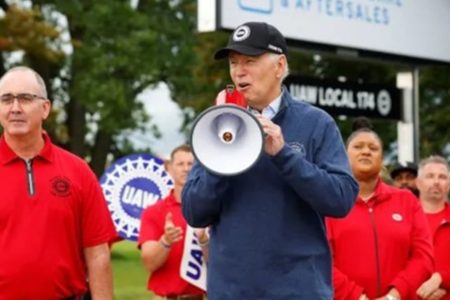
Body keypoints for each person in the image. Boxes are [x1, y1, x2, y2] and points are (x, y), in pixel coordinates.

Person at [182, 22, 359, 299]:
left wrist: (284, 155)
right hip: (232, 292)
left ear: (279, 66)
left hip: (298, 292)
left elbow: (340, 200)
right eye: (233, 62)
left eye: (250, 61)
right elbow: (194, 212)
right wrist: (221, 150)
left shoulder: (316, 123)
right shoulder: (214, 126)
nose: (239, 71)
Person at [0, 66, 116, 299]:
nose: (15, 108)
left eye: (25, 98)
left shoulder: (78, 171)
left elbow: (97, 254)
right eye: (6, 99)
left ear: (45, 108)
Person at [326, 125, 434, 300]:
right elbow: (320, 259)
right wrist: (356, 296)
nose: (366, 151)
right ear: (344, 157)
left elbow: (423, 256)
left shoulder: (406, 201)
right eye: (358, 147)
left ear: (382, 159)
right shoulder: (329, 203)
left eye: (373, 148)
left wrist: (394, 296)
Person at [139, 144, 207, 300]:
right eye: (180, 164)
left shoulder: (211, 210)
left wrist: (204, 241)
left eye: (191, 164)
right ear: (169, 168)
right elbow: (149, 263)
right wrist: (165, 241)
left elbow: (220, 261)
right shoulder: (154, 212)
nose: (186, 169)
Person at [416, 155, 450, 300]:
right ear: (418, 183)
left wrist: (441, 278)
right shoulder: (402, 220)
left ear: (448, 184)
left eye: (442, 177)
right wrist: (421, 290)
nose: (436, 182)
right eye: (430, 176)